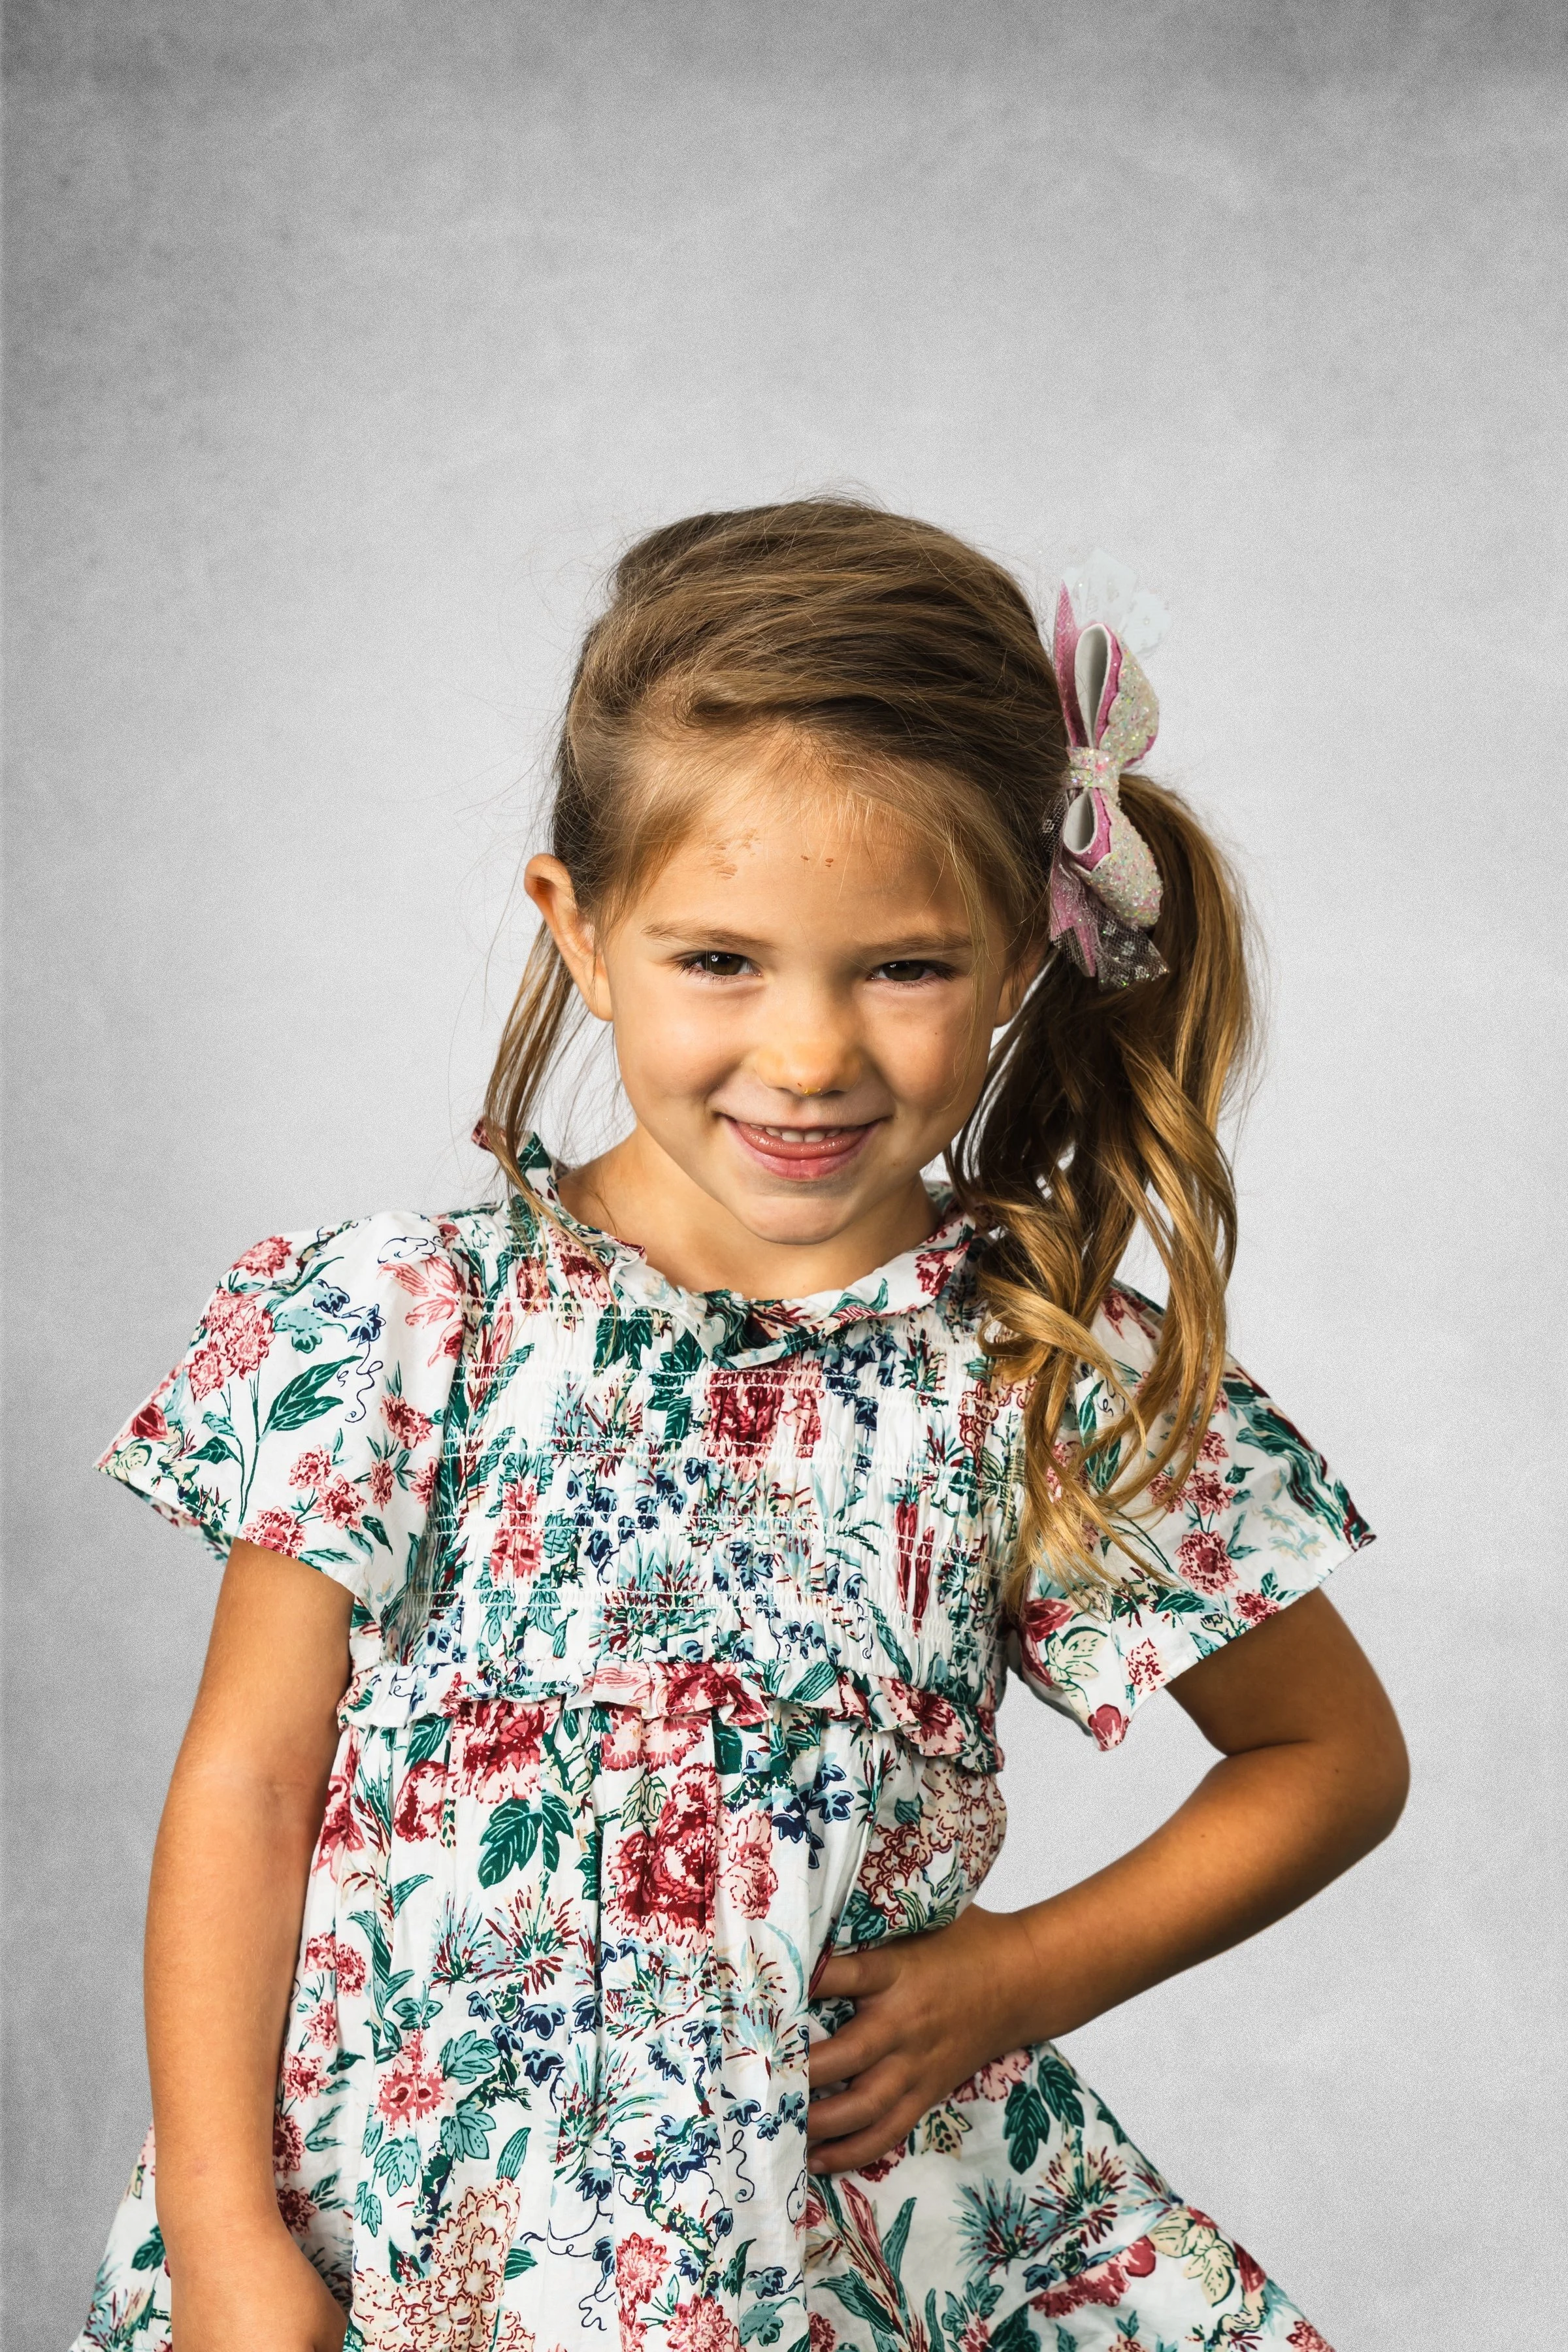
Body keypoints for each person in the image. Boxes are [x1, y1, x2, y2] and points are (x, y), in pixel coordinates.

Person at [74, 501, 1407, 2352]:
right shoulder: (398, 1324)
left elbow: (1330, 1755)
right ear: (582, 928)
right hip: (413, 2242)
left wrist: (1021, 1974)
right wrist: (223, 2224)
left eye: (904, 966)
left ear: (1023, 955)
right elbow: (245, 1784)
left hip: (821, 2248)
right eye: (721, 960)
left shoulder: (1029, 1371)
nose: (808, 1053)